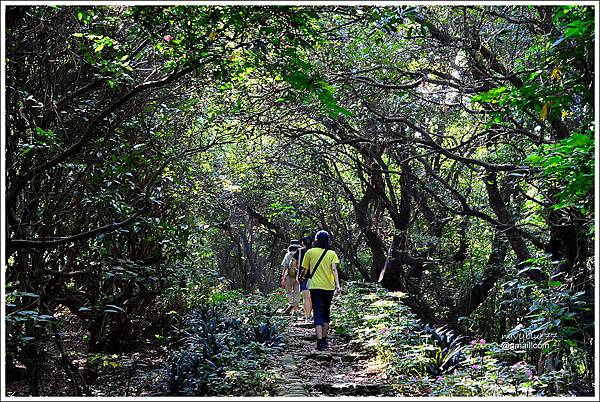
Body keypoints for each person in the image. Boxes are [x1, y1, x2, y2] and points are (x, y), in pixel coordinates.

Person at [300, 230, 341, 351]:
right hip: (329, 286)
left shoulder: (310, 252)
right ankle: (324, 339)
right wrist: (337, 285)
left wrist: (301, 277)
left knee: (317, 311)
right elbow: (334, 270)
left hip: (315, 286)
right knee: (326, 311)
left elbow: (305, 270)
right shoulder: (332, 253)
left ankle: (319, 341)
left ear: (316, 240)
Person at [291, 236, 313, 321]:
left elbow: (293, 264)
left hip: (302, 277)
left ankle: (308, 317)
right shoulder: (315, 251)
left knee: (306, 297)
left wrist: (298, 270)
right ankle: (314, 316)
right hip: (315, 277)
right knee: (313, 297)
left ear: (302, 243)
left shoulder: (299, 252)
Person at [281, 240, 302, 315]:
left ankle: (291, 304)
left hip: (289, 275)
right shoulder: (300, 254)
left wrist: (283, 277)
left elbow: (285, 266)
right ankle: (295, 310)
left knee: (288, 292)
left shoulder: (288, 254)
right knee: (297, 292)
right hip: (298, 275)